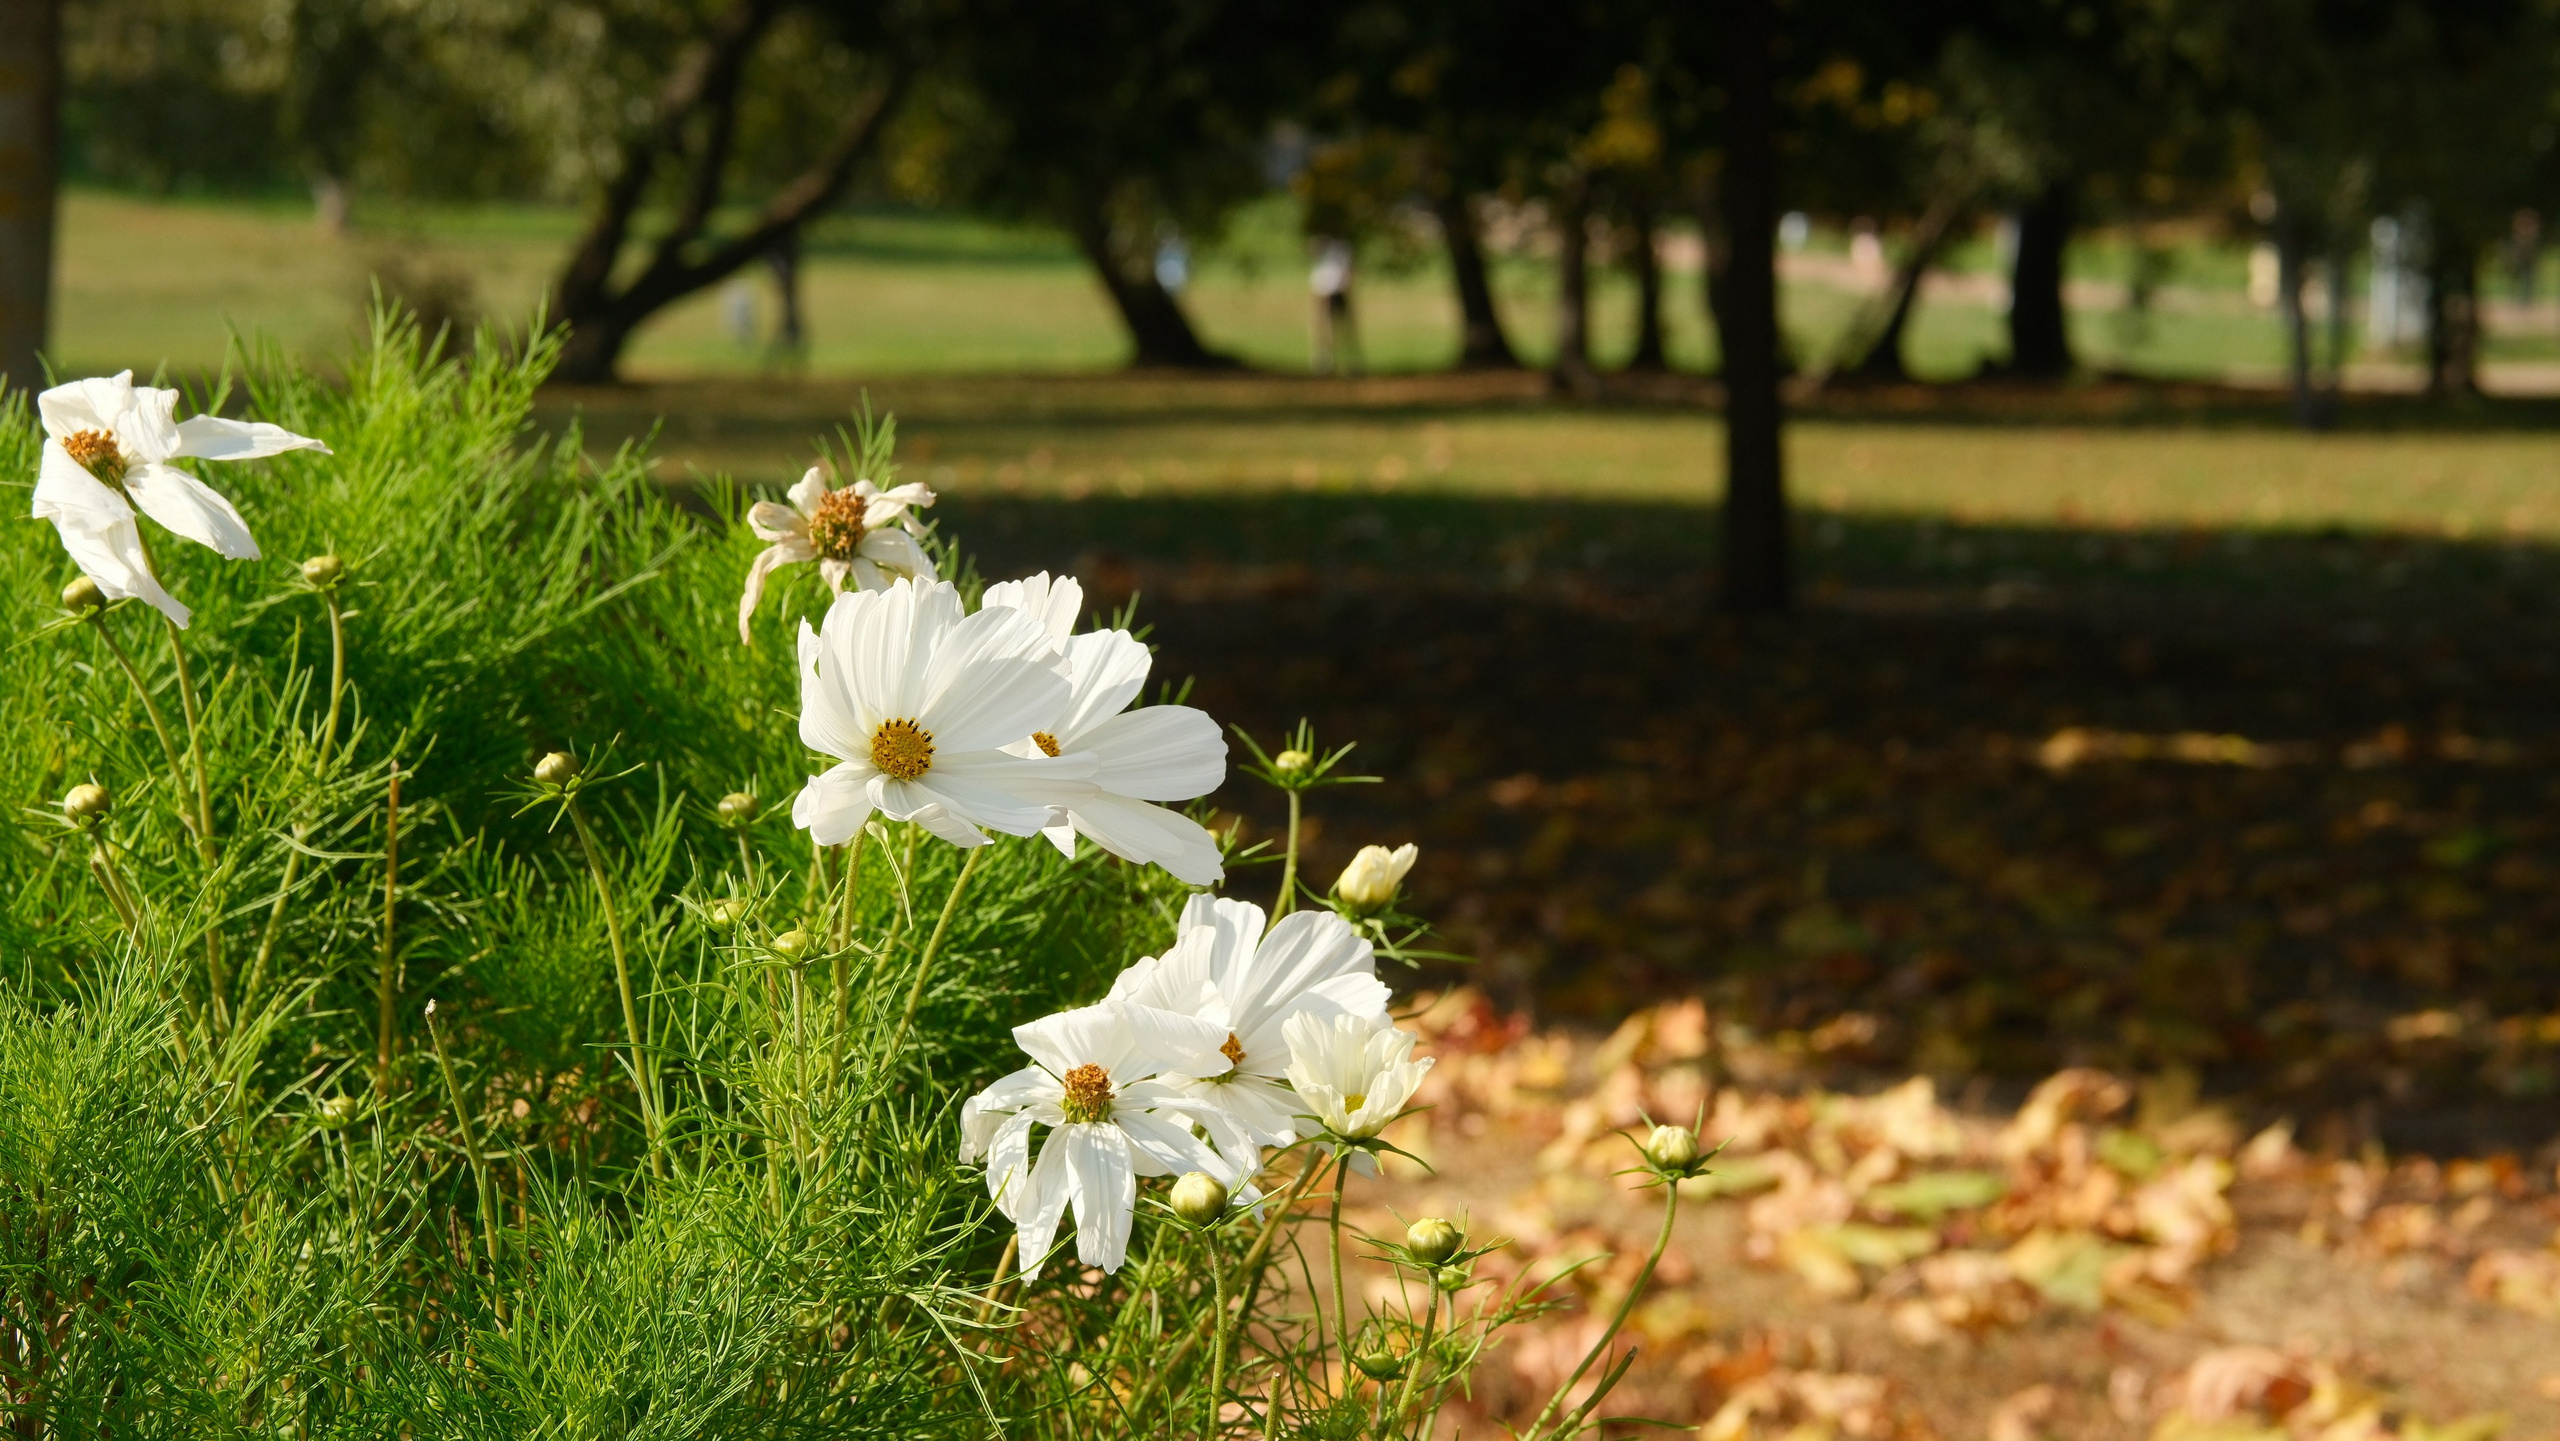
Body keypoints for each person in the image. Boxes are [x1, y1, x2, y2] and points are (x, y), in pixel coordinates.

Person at [1309, 237, 1361, 376]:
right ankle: (1324, 360)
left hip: (1338, 290)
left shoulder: (1343, 245)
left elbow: (1349, 269)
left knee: (1344, 328)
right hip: (1324, 290)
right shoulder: (1322, 242)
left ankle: (1351, 361)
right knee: (1324, 327)